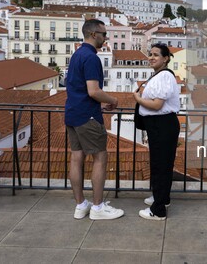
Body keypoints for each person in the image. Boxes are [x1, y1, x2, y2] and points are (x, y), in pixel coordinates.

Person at [65, 19, 124, 220]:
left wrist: (98, 103)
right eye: (104, 34)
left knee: (76, 158)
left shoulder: (76, 55)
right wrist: (113, 100)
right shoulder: (91, 58)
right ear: (93, 34)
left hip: (73, 114)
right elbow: (93, 90)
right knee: (100, 158)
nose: (105, 38)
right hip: (88, 118)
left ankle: (81, 205)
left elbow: (79, 89)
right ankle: (98, 208)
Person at [133, 43, 180, 220]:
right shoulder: (159, 75)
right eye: (150, 54)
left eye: (156, 55)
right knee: (161, 164)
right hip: (160, 125)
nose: (151, 57)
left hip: (162, 124)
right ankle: (162, 198)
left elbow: (157, 105)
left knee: (161, 165)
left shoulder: (164, 76)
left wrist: (137, 98)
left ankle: (158, 210)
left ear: (166, 58)